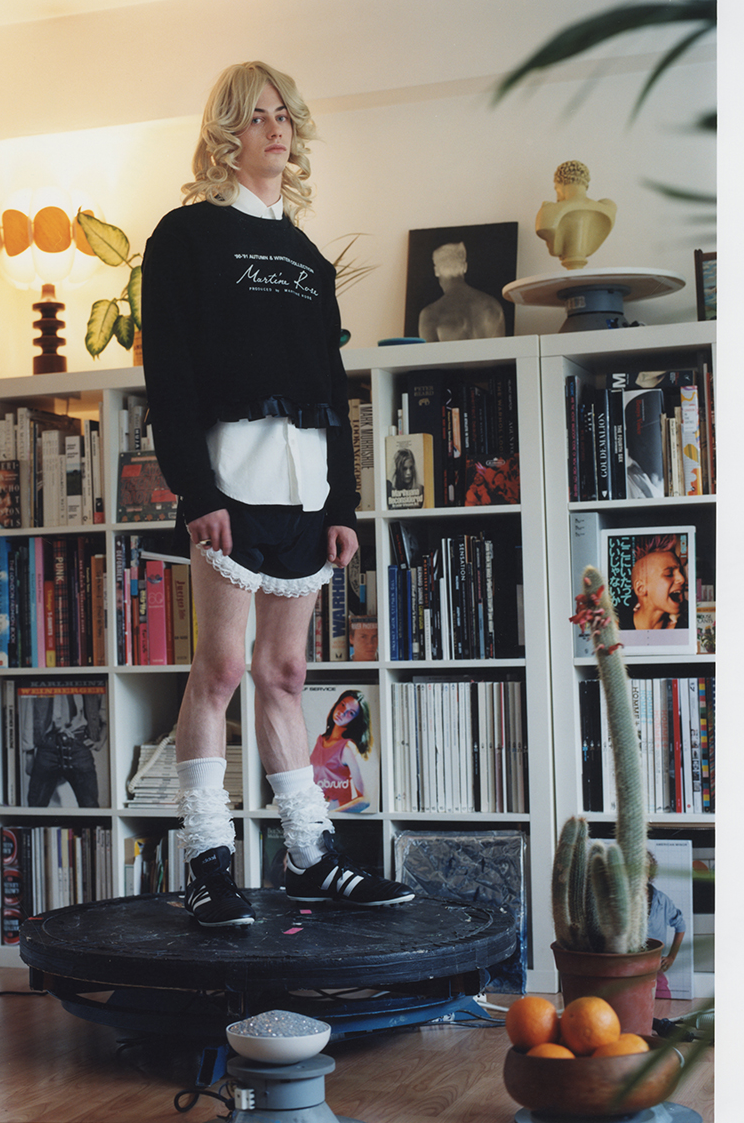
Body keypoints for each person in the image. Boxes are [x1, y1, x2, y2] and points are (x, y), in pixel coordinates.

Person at [141, 61, 413, 926]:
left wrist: (343, 506)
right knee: (222, 668)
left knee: (286, 673)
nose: (276, 129)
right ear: (228, 132)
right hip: (229, 483)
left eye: (284, 115)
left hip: (307, 488)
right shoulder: (185, 236)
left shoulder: (305, 256)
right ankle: (208, 862)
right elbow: (169, 372)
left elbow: (331, 387)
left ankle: (310, 858)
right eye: (257, 116)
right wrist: (195, 490)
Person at [535, 159, 617, 270]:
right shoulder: (607, 208)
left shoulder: (549, 210)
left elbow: (550, 240)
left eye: (556, 189)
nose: (557, 197)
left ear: (562, 182)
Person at [417, 242, 505, 342]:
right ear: (465, 267)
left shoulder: (430, 314)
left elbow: (430, 352)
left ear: (436, 271)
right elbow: (501, 349)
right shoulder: (493, 305)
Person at [310, 690, 374, 812]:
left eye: (351, 713)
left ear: (355, 719)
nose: (342, 712)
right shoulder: (320, 740)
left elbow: (365, 799)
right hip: (313, 812)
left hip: (333, 815)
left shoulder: (347, 748)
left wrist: (333, 814)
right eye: (343, 705)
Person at [647, 852, 686, 999]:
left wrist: (671, 957)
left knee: (663, 997)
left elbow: (680, 926)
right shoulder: (620, 899)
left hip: (654, 964)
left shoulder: (662, 900)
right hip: (628, 964)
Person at [630, 542, 688, 631]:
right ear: (640, 588)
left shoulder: (686, 624)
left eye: (681, 572)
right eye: (669, 573)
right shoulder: (614, 627)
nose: (682, 579)